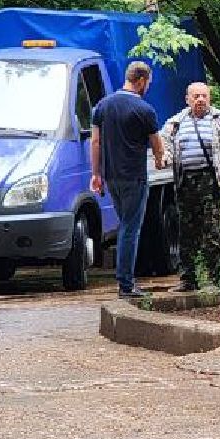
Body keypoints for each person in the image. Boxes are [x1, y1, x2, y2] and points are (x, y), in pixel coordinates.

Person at [91, 61, 166, 298]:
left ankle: (125, 280)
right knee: (130, 229)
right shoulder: (144, 110)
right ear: (141, 80)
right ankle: (126, 284)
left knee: (124, 225)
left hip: (112, 176)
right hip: (134, 177)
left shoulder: (102, 106)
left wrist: (96, 174)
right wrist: (159, 158)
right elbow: (156, 142)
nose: (148, 88)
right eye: (148, 83)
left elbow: (96, 142)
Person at [161, 82, 220, 293]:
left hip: (210, 182)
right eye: (196, 96)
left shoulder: (219, 119)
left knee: (211, 232)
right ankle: (188, 279)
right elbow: (164, 148)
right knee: (186, 232)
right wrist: (164, 158)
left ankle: (214, 280)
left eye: (204, 96)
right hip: (185, 183)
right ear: (187, 99)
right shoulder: (176, 122)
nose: (200, 99)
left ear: (209, 98)